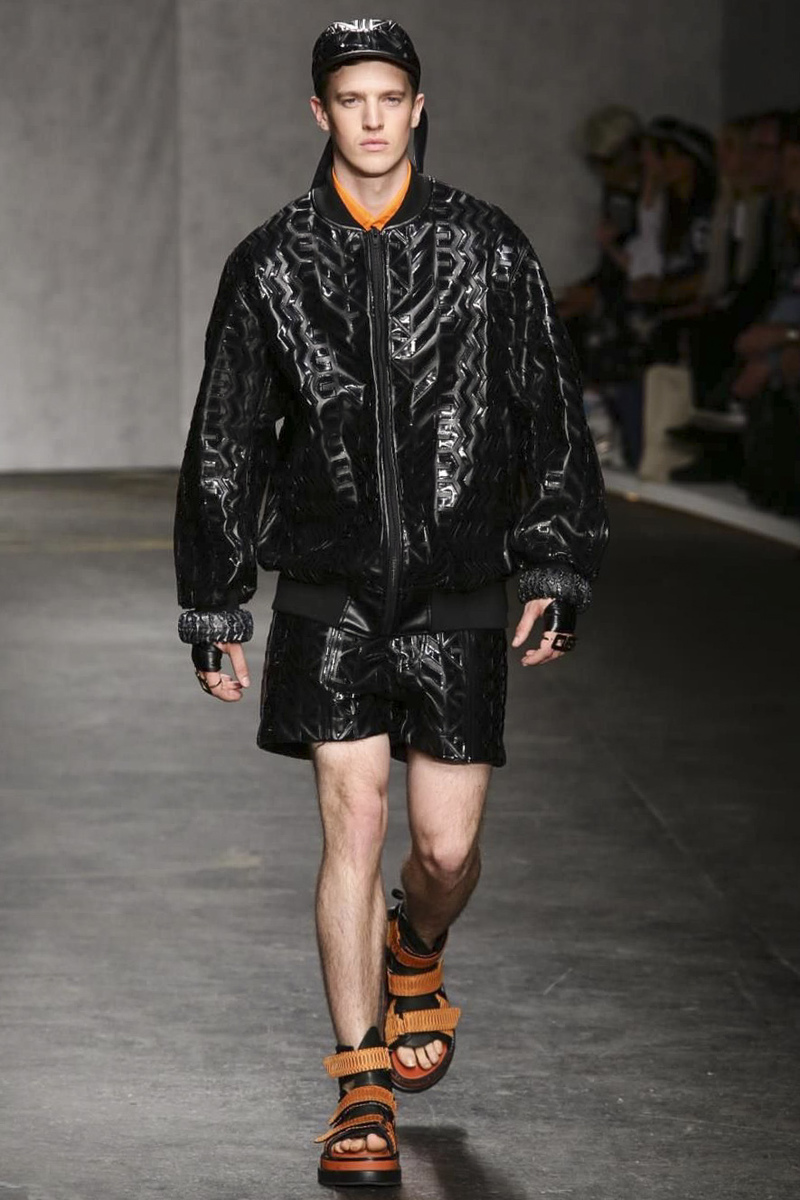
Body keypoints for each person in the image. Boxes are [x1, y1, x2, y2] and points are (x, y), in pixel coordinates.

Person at [173, 18, 609, 1188]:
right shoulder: (273, 260)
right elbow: (226, 438)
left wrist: (555, 564)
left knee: (445, 850)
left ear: (417, 107)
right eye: (349, 99)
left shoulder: (485, 247)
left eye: (388, 98)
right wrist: (215, 601)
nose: (370, 119)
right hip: (329, 591)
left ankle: (416, 944)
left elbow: (545, 409)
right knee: (352, 827)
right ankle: (358, 1086)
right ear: (318, 113)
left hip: (457, 585)